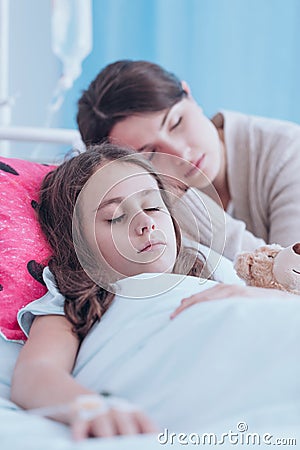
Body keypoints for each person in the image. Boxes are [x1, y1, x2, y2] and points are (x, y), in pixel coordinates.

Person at [10, 143, 291, 441]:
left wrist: (267, 296)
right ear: (79, 245)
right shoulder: (76, 297)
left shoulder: (212, 267)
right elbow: (34, 374)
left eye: (154, 206)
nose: (146, 223)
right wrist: (88, 406)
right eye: (116, 216)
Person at [76, 59, 300, 261]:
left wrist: (193, 210)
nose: (181, 154)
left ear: (188, 94)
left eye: (176, 123)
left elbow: (291, 278)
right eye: (151, 153)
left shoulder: (288, 150)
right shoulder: (145, 212)